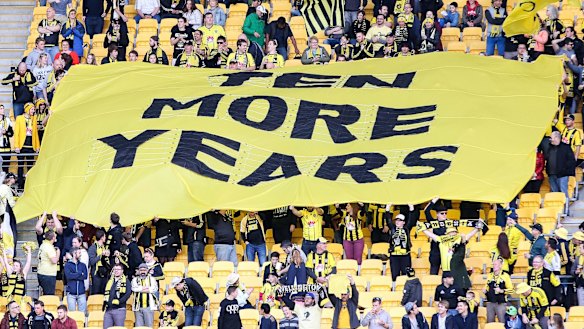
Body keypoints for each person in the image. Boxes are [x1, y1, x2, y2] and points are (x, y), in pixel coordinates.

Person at [422, 223, 482, 290]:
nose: (453, 234)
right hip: (446, 271)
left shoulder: (459, 239)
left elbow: (468, 236)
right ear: (447, 233)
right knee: (446, 291)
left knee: (459, 291)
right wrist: (423, 229)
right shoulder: (442, 240)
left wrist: (476, 229)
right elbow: (432, 236)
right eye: (451, 232)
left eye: (455, 232)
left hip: (457, 271)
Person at [387, 204, 418, 280]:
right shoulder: (393, 228)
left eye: (400, 220)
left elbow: (411, 220)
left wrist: (411, 208)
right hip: (394, 256)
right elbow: (388, 220)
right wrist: (387, 209)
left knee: (406, 275)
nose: (397, 222)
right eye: (396, 220)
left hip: (405, 255)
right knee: (394, 275)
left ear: (404, 222)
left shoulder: (406, 229)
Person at [483, 258, 512, 323]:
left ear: (500, 265)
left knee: (502, 322)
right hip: (490, 302)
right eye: (493, 265)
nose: (494, 266)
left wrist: (501, 291)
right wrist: (485, 290)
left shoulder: (505, 276)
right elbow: (486, 286)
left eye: (496, 264)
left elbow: (511, 290)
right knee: (490, 323)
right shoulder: (490, 275)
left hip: (501, 303)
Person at [103, 264, 131, 328]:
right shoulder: (110, 281)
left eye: (118, 269)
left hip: (119, 309)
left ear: (122, 271)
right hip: (108, 309)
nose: (116, 271)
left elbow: (128, 293)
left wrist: (119, 301)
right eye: (115, 269)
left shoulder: (126, 281)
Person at [424, 198, 448, 274]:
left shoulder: (450, 223)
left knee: (447, 274)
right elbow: (426, 211)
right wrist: (434, 200)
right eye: (442, 213)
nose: (444, 215)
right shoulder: (433, 222)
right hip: (435, 252)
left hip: (446, 252)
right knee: (433, 273)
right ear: (437, 214)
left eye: (445, 213)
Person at [131, 263, 158, 327]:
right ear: (139, 271)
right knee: (139, 326)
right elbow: (134, 288)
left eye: (144, 270)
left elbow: (154, 289)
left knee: (149, 326)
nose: (143, 272)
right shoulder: (135, 279)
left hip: (149, 307)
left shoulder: (152, 279)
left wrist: (140, 289)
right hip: (138, 307)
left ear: (147, 271)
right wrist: (146, 288)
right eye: (141, 270)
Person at [64, 247, 88, 312]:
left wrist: (73, 274)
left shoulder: (83, 265)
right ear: (74, 253)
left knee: (82, 314)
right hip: (71, 293)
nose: (80, 254)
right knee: (72, 314)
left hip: (81, 292)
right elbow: (68, 276)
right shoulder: (67, 265)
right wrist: (79, 273)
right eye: (79, 253)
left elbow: (85, 276)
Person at [88, 229, 111, 294]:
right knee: (96, 293)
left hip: (104, 272)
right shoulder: (93, 247)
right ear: (101, 237)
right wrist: (101, 255)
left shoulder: (104, 247)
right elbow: (92, 261)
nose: (105, 238)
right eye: (104, 236)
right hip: (96, 274)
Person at [38, 230, 59, 295]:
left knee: (45, 293)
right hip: (48, 274)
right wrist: (58, 253)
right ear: (53, 238)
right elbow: (54, 261)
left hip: (41, 272)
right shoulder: (49, 247)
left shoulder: (43, 245)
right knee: (49, 295)